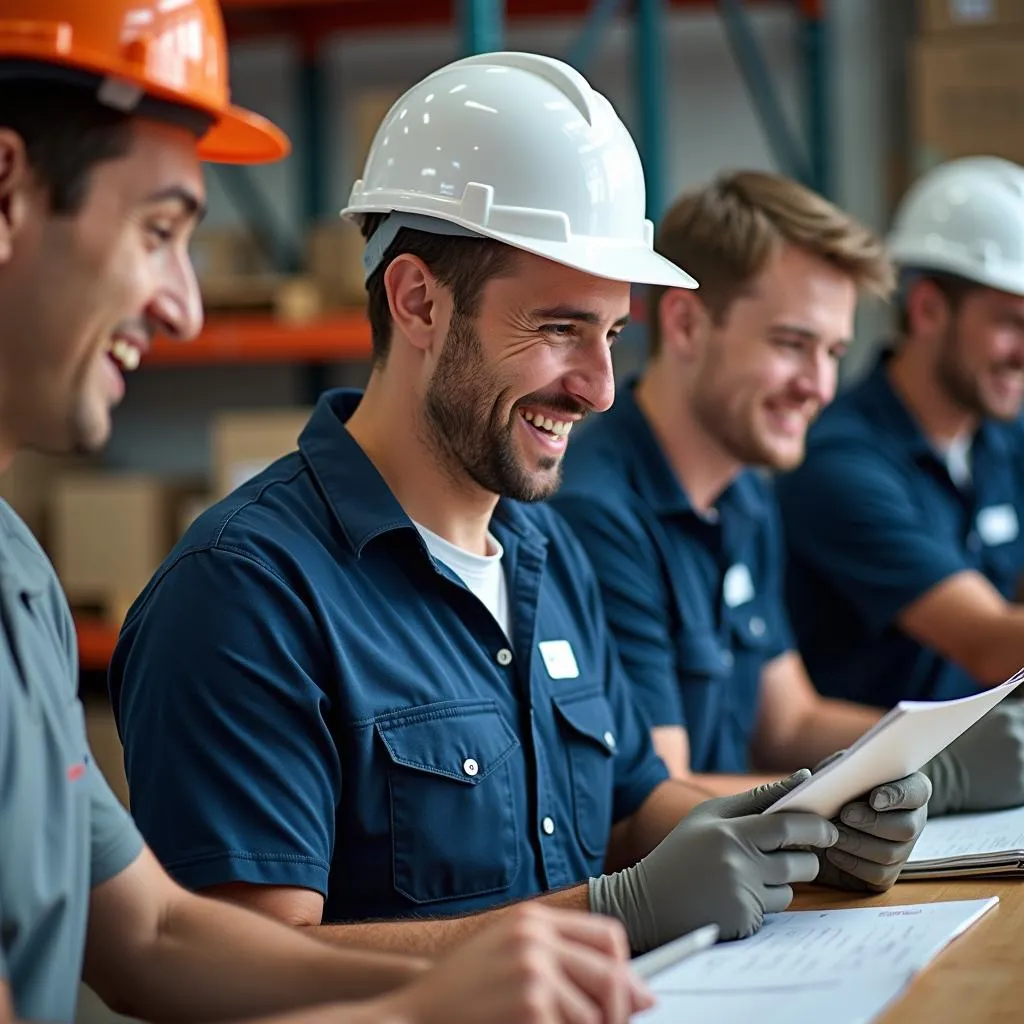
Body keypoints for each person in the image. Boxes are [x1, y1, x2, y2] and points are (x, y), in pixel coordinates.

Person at [106, 51, 915, 962]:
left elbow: (631, 807)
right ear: (418, 300)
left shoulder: (545, 553)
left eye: (610, 333)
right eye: (559, 328)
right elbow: (240, 971)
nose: (602, 388)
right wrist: (601, 918)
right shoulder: (248, 594)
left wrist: (799, 821)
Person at [0, 3, 654, 1021]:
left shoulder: (20, 577)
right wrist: (435, 999)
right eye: (160, 229)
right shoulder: (245, 586)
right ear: (418, 301)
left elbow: (149, 931)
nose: (186, 305)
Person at [551, 170, 1012, 828]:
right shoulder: (599, 515)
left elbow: (789, 719)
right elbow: (660, 797)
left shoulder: (744, 493)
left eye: (834, 352)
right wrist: (927, 779)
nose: (820, 386)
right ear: (685, 324)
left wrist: (944, 749)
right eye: (793, 345)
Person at [775, 156, 1024, 816]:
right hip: (878, 807)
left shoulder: (1003, 436)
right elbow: (993, 644)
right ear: (927, 309)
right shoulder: (839, 463)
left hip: (985, 787)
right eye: (1010, 323)